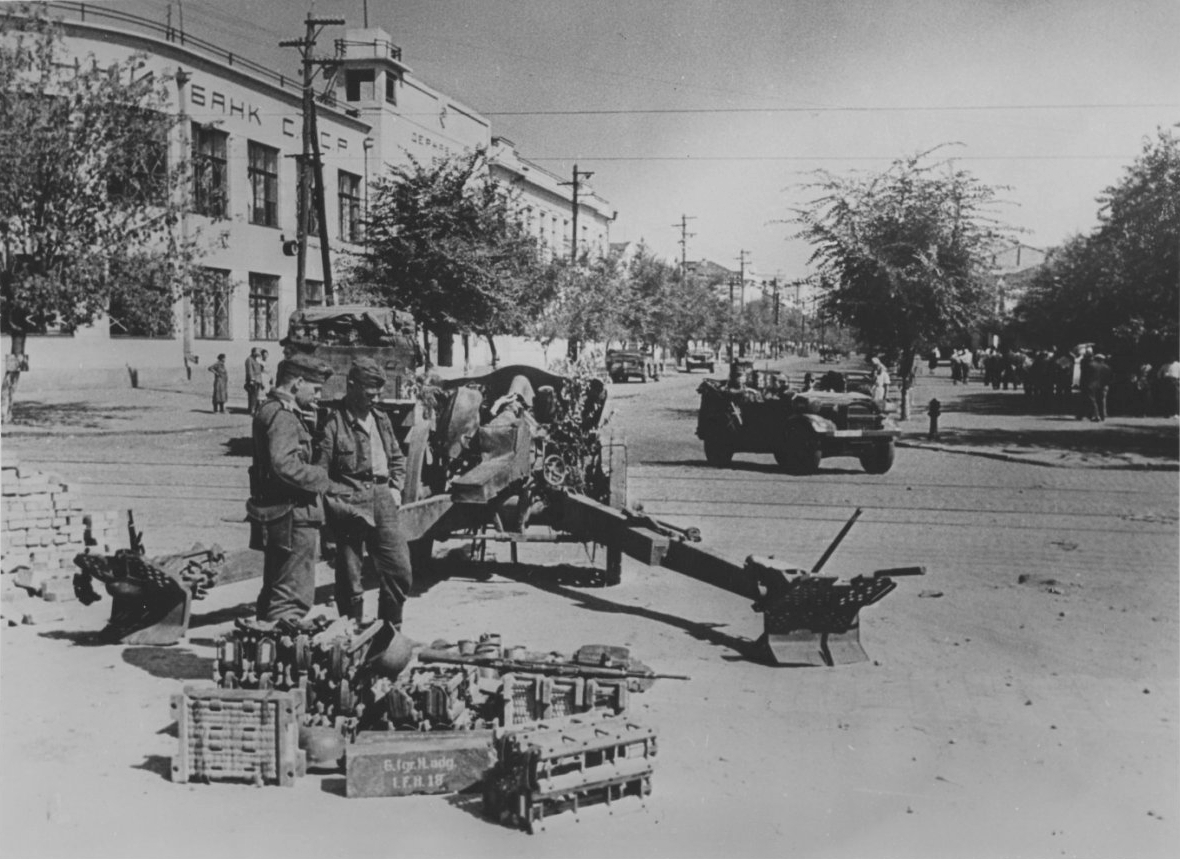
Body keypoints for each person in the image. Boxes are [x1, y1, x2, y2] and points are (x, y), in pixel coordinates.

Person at [316, 358, 413, 629]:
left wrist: (395, 487)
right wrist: (336, 504)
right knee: (349, 578)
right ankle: (351, 635)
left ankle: (389, 632)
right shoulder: (333, 423)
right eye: (370, 393)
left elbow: (397, 457)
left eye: (378, 393)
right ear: (351, 386)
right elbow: (320, 473)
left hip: (383, 498)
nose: (375, 398)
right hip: (348, 502)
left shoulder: (381, 420)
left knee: (399, 570)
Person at [248, 353, 337, 622]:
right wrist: (322, 478)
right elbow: (283, 463)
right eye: (316, 389)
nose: (319, 395)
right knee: (291, 599)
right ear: (298, 383)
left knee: (276, 589)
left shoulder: (270, 409)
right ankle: (279, 656)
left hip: (279, 515)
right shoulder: (283, 416)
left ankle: (263, 654)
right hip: (294, 516)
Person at [1080, 352, 1112, 422]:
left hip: (1091, 385)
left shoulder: (1090, 365)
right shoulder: (1107, 367)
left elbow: (1085, 376)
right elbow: (1109, 378)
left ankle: (1096, 415)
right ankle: (1102, 416)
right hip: (1102, 385)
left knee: (1092, 400)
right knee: (1100, 401)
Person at [244, 348, 263, 414]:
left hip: (258, 380)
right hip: (253, 380)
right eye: (257, 352)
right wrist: (251, 379)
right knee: (252, 396)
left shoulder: (255, 360)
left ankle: (253, 408)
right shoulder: (249, 359)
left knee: (255, 395)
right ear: (253, 352)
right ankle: (252, 409)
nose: (258, 354)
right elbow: (249, 370)